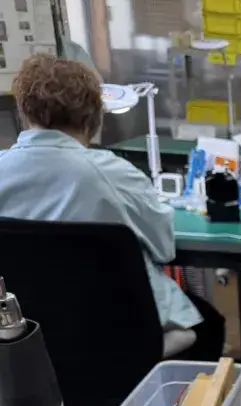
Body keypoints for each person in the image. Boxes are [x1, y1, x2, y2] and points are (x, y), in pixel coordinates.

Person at [0, 54, 225, 361]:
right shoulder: (112, 174)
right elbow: (164, 247)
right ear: (95, 117)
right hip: (117, 342)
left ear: (24, 112)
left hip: (24, 346)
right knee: (209, 323)